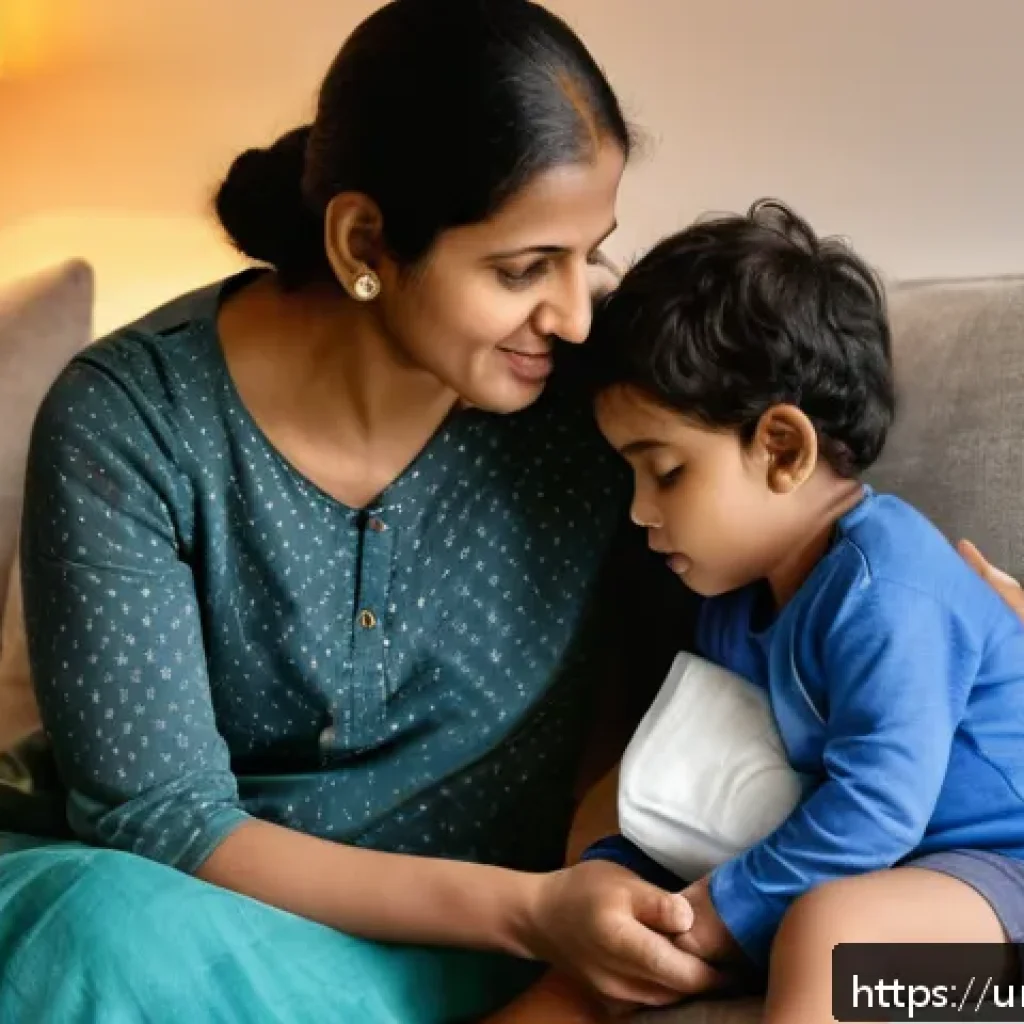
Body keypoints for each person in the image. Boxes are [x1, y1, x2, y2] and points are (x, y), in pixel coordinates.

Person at [0, 2, 717, 1022]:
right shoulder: (131, 419)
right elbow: (159, 820)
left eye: (587, 253)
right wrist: (533, 913)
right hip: (174, 922)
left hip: (466, 951)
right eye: (522, 269)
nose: (572, 313)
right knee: (96, 937)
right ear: (363, 239)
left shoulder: (604, 406)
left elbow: (790, 549)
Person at [563, 199, 1024, 1023]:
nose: (637, 511)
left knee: (830, 932)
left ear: (783, 448)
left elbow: (880, 806)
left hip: (1003, 879)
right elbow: (696, 773)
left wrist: (719, 909)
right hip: (900, 886)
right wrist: (617, 878)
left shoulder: (889, 590)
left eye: (664, 472)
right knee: (603, 922)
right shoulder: (732, 602)